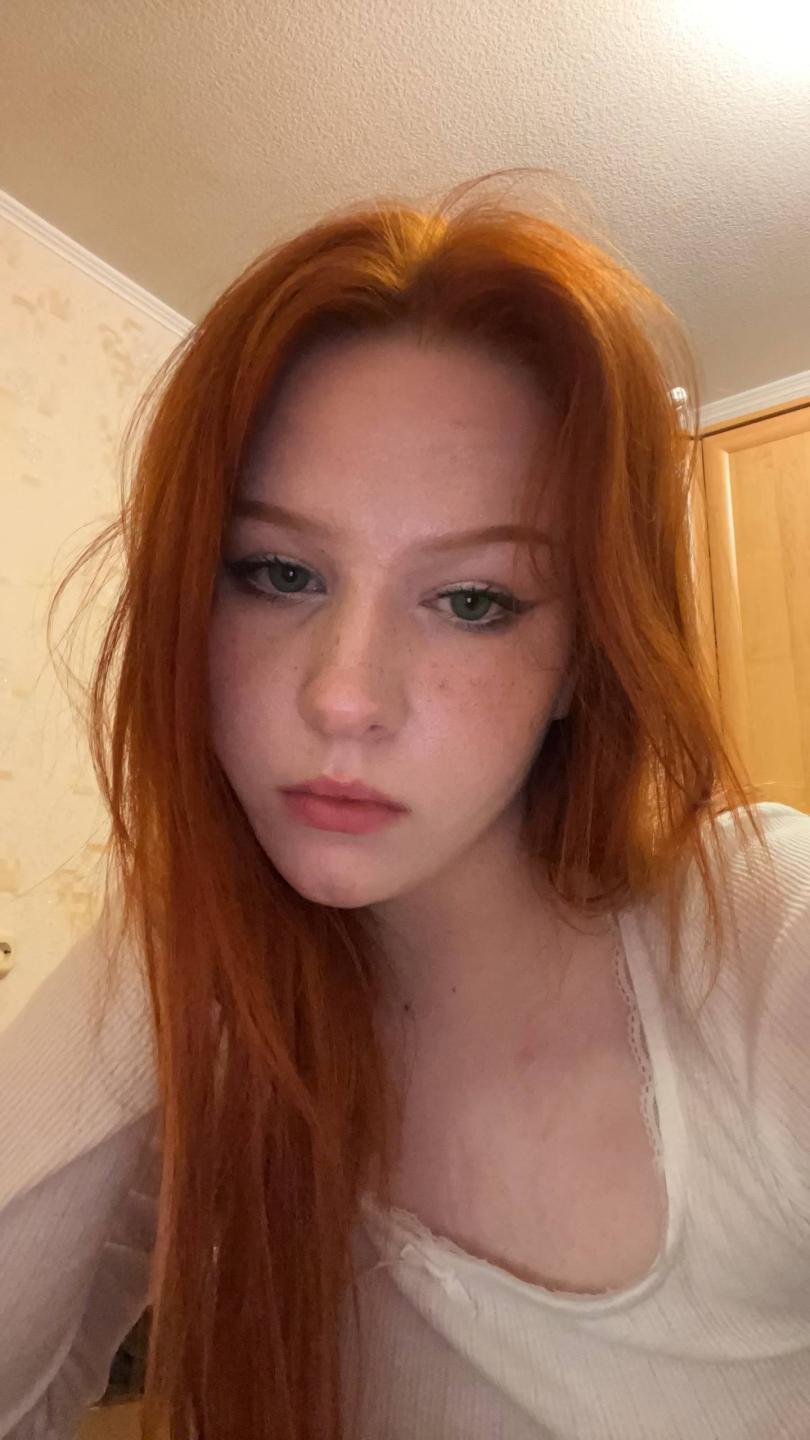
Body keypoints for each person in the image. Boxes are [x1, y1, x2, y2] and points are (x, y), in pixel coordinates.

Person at [1, 172, 808, 1440]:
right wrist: (180, 902)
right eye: (278, 572)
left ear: (582, 660)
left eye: (472, 600)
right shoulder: (224, 1044)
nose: (344, 697)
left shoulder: (756, 935)